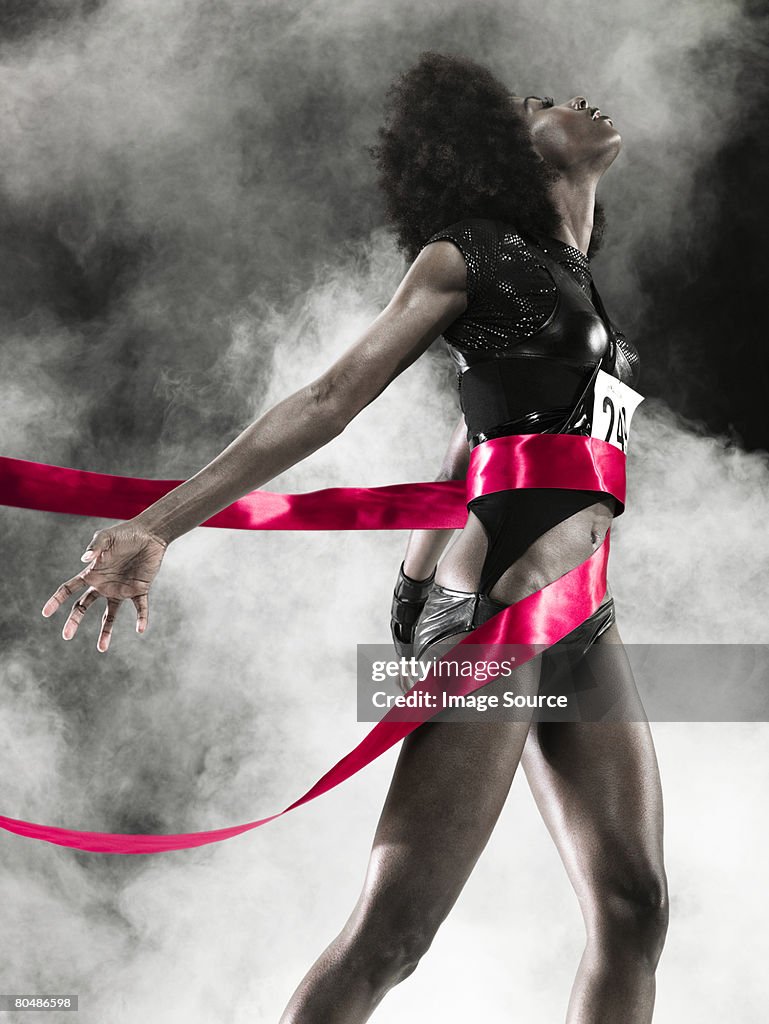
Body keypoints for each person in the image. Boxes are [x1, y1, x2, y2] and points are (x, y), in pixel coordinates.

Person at [42, 53, 668, 1023]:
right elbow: (330, 399)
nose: (573, 101)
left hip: (582, 608)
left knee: (633, 907)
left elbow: (492, 431)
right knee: (393, 935)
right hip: (497, 609)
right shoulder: (468, 255)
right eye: (538, 103)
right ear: (501, 147)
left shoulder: (568, 275)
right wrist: (156, 524)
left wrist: (437, 534)